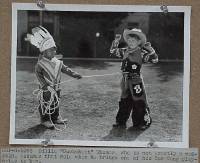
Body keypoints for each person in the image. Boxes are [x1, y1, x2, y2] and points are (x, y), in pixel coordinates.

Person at [25, 26, 82, 129]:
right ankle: (45, 120)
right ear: (44, 51)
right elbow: (39, 75)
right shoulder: (40, 64)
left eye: (54, 50)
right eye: (51, 50)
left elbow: (65, 69)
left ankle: (55, 118)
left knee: (56, 102)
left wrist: (74, 74)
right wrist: (45, 86)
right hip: (46, 89)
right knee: (45, 103)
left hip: (56, 88)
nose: (54, 52)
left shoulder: (57, 61)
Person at [110, 28, 158, 130]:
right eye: (129, 40)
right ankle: (121, 122)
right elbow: (113, 51)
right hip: (125, 81)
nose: (131, 42)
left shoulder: (141, 52)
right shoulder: (125, 51)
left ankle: (141, 122)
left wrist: (150, 49)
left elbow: (154, 59)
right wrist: (116, 42)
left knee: (139, 101)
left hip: (136, 81)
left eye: (133, 41)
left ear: (139, 41)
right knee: (124, 101)